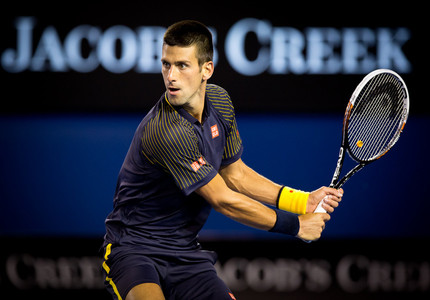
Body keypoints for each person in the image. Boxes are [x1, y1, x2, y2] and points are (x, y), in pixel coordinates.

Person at [102, 20, 343, 300]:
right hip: (134, 250)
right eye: (166, 64)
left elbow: (236, 174)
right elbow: (223, 199)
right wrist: (297, 226)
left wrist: (301, 201)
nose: (171, 76)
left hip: (185, 253)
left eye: (182, 65)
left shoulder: (220, 101)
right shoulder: (166, 131)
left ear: (207, 69)